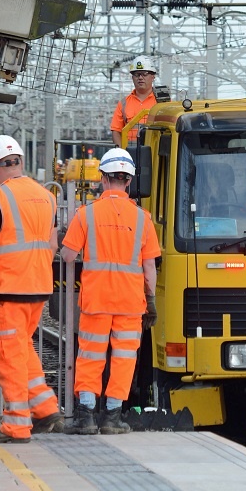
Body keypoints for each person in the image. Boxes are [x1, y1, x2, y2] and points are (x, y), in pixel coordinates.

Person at [61, 147, 160, 435]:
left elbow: (67, 255)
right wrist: (150, 300)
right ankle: (113, 417)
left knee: (91, 355)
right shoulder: (143, 218)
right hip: (131, 302)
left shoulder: (86, 215)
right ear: (128, 181)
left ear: (103, 178)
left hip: (97, 299)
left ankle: (87, 417)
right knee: (124, 358)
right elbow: (150, 267)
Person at [0, 134, 64, 441]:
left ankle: (16, 425)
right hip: (38, 286)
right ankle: (45, 407)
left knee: (9, 356)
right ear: (20, 162)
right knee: (24, 349)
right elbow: (52, 244)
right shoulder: (46, 196)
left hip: (7, 290)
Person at [110, 56, 159, 146]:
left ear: (153, 77)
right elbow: (116, 131)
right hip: (130, 154)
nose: (140, 78)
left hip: (156, 155)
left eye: (145, 74)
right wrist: (122, 153)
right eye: (137, 74)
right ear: (132, 77)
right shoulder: (124, 103)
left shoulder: (163, 103)